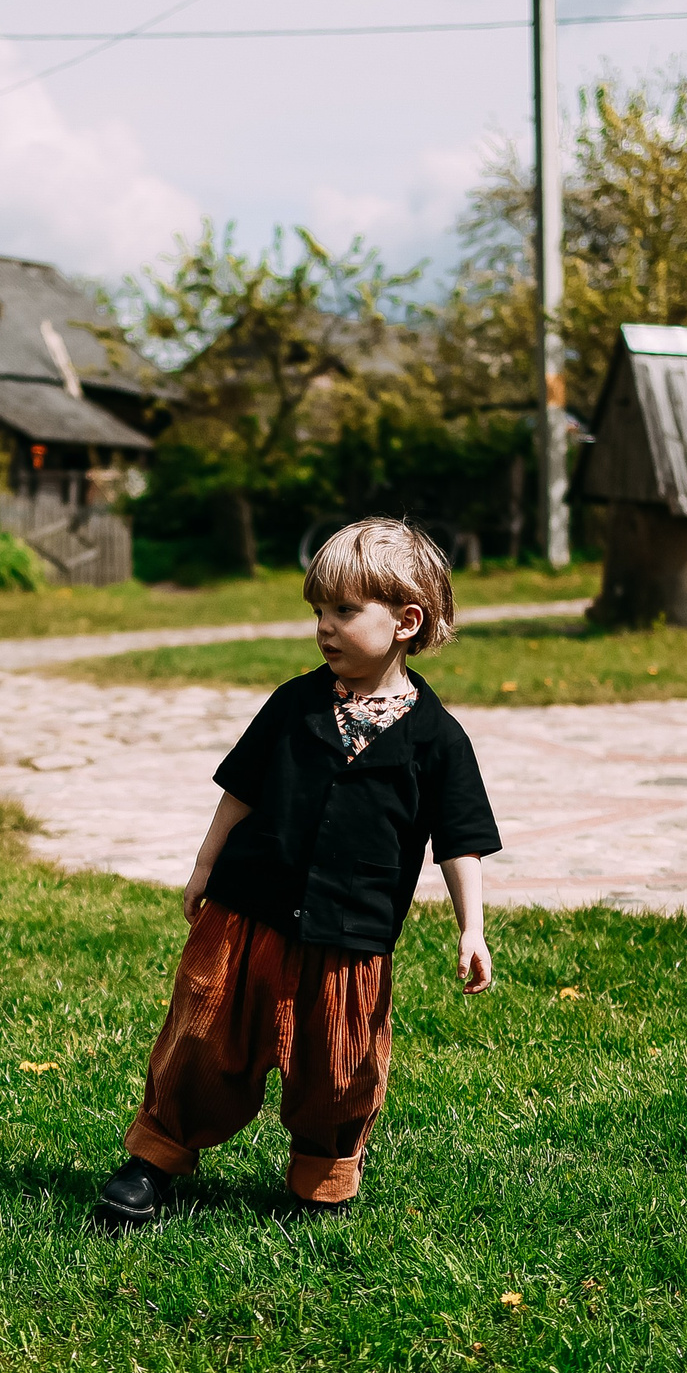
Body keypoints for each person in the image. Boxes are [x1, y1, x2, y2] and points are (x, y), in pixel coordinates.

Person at [96, 518, 499, 1226]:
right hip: (247, 914)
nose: (325, 626)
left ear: (406, 621)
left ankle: (324, 1175)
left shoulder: (437, 737)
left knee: (340, 1067)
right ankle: (155, 1156)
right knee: (202, 1038)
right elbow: (240, 790)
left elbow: (458, 840)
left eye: (344, 611)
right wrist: (204, 864)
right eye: (319, 610)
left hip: (351, 933)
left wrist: (474, 928)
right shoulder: (294, 704)